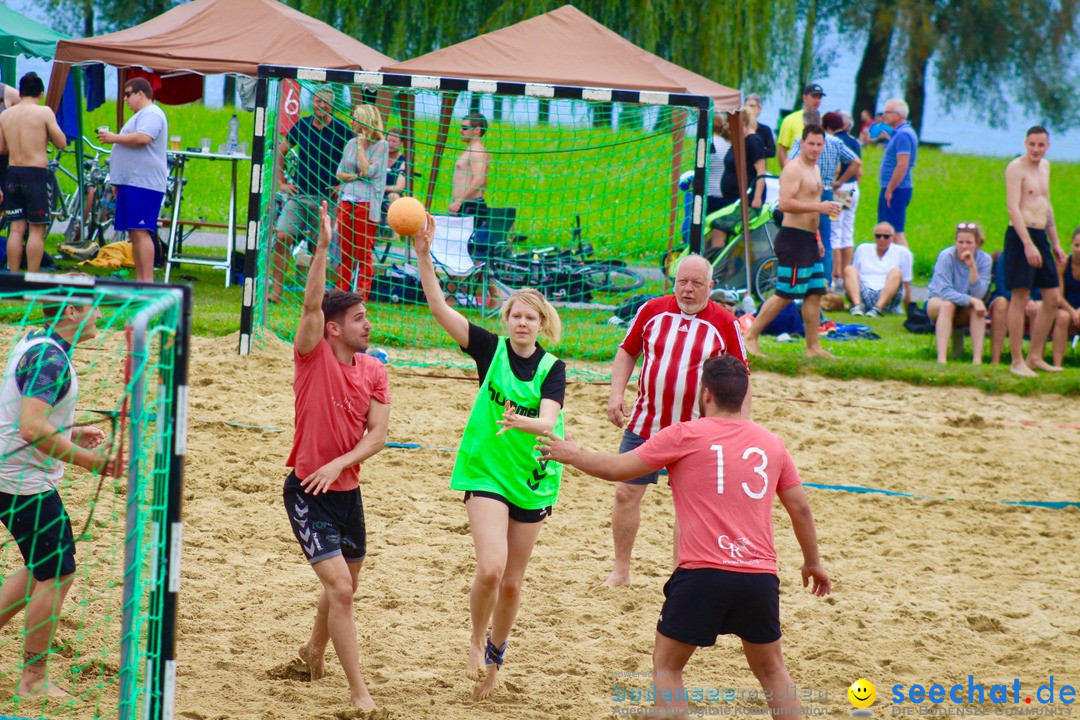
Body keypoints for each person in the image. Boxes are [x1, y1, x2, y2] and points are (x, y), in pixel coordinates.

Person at [537, 355, 831, 718]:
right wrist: (813, 561)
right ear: (743, 394)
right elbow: (800, 509)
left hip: (702, 574)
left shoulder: (684, 434)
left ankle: (671, 711)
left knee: (668, 666)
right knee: (773, 672)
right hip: (759, 576)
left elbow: (618, 469)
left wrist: (572, 454)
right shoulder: (772, 443)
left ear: (705, 394)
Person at [413, 216, 566, 701]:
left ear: (542, 325)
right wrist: (423, 254)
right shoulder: (489, 350)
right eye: (516, 316)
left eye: (530, 317)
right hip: (486, 473)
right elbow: (440, 308)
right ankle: (476, 639)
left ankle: (495, 661)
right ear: (506, 321)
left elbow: (548, 421)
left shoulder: (551, 368)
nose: (522, 323)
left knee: (514, 586)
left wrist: (524, 423)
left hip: (533, 477)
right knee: (491, 571)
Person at [283, 201, 389, 710]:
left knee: (343, 586)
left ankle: (312, 651)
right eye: (358, 318)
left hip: (346, 491)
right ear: (333, 328)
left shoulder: (373, 369)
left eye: (366, 316)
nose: (367, 324)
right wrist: (323, 248)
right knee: (342, 590)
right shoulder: (312, 354)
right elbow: (309, 309)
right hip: (307, 489)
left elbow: (377, 436)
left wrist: (341, 463)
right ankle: (359, 694)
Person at [604, 255, 748, 588]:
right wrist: (616, 394)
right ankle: (621, 570)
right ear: (674, 282)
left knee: (689, 507)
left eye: (697, 283)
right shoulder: (652, 310)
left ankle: (678, 578)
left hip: (697, 431)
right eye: (683, 281)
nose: (688, 289)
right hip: (646, 424)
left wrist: (741, 425)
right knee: (625, 494)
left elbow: (742, 376)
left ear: (711, 287)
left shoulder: (725, 322)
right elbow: (627, 351)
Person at [0, 297, 118, 697]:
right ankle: (33, 680)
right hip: (20, 481)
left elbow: (26, 416)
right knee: (58, 573)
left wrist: (70, 430)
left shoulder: (37, 341)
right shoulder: (49, 358)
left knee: (44, 568)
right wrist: (89, 460)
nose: (101, 313)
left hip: (13, 474)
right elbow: (31, 428)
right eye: (95, 306)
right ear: (71, 312)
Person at [743, 125, 840, 359]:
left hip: (808, 239)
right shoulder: (793, 169)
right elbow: (784, 204)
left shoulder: (815, 169)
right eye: (811, 144)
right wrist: (820, 207)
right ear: (802, 143)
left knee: (815, 292)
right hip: (792, 238)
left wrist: (817, 237)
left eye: (819, 144)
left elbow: (811, 204)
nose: (815, 149)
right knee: (786, 293)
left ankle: (812, 347)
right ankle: (750, 336)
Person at [273, 86, 350, 302]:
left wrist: (342, 185)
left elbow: (355, 159)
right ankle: (276, 291)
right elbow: (281, 151)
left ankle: (313, 295)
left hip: (327, 200)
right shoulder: (303, 125)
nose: (321, 105)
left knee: (319, 247)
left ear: (332, 106)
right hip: (299, 195)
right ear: (312, 102)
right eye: (317, 100)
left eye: (325, 102)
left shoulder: (342, 130)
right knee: (282, 236)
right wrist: (282, 183)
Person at [1003, 126, 1066, 377]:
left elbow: (1046, 205)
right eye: (1032, 145)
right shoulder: (1016, 168)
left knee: (1052, 298)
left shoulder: (1046, 167)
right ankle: (1016, 361)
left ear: (1047, 145)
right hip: (1020, 236)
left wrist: (1056, 242)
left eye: (1041, 145)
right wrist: (1027, 243)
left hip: (1041, 234)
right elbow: (1013, 207)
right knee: (1021, 297)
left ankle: (1035, 356)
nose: (1036, 150)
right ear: (1025, 143)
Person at [95, 77, 168, 283]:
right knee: (134, 233)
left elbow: (144, 138)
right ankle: (140, 280)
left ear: (141, 94)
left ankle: (147, 282)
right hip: (132, 183)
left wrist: (113, 137)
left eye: (128, 94)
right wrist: (119, 181)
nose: (125, 99)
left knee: (141, 231)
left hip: (144, 183)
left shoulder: (152, 113)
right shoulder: (140, 115)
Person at [0, 72, 67, 273]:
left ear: (20, 92)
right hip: (35, 174)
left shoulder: (5, 114)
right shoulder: (44, 112)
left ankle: (12, 275)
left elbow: (1, 149)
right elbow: (61, 143)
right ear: (40, 93)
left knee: (16, 228)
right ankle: (32, 276)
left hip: (12, 173)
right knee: (37, 229)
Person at [786, 110, 862, 287]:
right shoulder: (837, 142)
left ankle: (801, 278)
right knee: (830, 236)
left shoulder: (803, 141)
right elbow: (857, 163)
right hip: (832, 191)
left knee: (805, 235)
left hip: (808, 191)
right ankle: (826, 280)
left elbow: (789, 164)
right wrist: (839, 182)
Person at [335, 104, 388, 298]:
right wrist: (356, 176)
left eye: (354, 118)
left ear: (364, 121)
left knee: (363, 252)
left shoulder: (381, 146)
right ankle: (340, 292)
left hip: (366, 204)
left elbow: (368, 172)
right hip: (346, 200)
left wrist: (360, 148)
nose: (351, 122)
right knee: (345, 251)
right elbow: (339, 173)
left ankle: (361, 295)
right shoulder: (350, 143)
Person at [988, 251, 1069, 366]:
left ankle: (1036, 358)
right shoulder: (1007, 255)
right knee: (1000, 304)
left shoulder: (1042, 256)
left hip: (1034, 301)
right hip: (1011, 299)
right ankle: (995, 360)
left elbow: (1044, 286)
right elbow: (1002, 286)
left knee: (1038, 307)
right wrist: (1026, 299)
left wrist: (1034, 300)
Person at [926, 222, 992, 364]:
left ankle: (977, 359)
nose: (964, 246)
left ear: (977, 244)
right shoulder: (946, 256)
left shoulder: (985, 260)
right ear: (955, 242)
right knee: (948, 305)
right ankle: (942, 358)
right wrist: (972, 300)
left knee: (977, 310)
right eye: (960, 242)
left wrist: (972, 267)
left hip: (966, 304)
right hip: (939, 300)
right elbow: (944, 291)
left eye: (969, 242)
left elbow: (979, 295)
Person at [845, 221, 913, 317]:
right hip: (865, 292)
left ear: (892, 238)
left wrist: (909, 309)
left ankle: (878, 308)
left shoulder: (903, 253)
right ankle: (857, 306)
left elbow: (906, 283)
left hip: (889, 294)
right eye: (878, 236)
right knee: (849, 269)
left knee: (896, 272)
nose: (882, 239)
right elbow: (854, 276)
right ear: (874, 237)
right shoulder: (862, 249)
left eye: (886, 237)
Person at [878, 98, 917, 248]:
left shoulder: (903, 135)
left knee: (895, 231)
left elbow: (902, 165)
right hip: (894, 188)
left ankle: (904, 265)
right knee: (890, 229)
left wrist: (890, 189)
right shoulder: (900, 133)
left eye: (887, 112)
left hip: (897, 189)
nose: (883, 116)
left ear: (898, 115)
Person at [831, 111, 863, 292]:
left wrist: (838, 182)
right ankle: (846, 273)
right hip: (853, 189)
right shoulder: (855, 142)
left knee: (835, 230)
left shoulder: (837, 142)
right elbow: (860, 170)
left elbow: (850, 166)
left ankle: (835, 274)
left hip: (841, 190)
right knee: (847, 231)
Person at [717, 107, 767, 214]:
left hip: (747, 197)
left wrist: (757, 198)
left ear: (742, 123)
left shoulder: (753, 141)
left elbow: (761, 171)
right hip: (731, 198)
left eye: (731, 129)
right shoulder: (738, 142)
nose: (729, 132)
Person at [449, 112, 490, 226]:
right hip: (466, 205)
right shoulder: (471, 149)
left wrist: (459, 201)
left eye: (465, 128)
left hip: (470, 206)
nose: (461, 130)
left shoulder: (477, 151)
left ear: (477, 130)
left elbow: (479, 180)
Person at [776, 83, 824, 167]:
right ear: (804, 98)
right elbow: (781, 150)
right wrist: (787, 171)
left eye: (819, 97)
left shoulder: (823, 120)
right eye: (814, 97)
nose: (817, 100)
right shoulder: (789, 120)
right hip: (796, 167)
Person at [1057, 227, 1080, 345]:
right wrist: (1072, 312)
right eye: (1077, 245)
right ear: (1071, 245)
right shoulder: (1064, 265)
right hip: (1066, 307)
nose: (1079, 250)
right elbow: (1058, 296)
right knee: (1062, 317)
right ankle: (1057, 362)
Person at [382, 128, 408, 208]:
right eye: (388, 140)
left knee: (394, 197)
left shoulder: (403, 161)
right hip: (374, 191)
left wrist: (383, 188)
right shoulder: (379, 156)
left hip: (390, 194)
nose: (390, 144)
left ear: (401, 143)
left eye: (394, 141)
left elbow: (399, 188)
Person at [743, 94, 775, 159]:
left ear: (759, 109)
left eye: (752, 106)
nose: (748, 109)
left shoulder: (765, 130)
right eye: (746, 106)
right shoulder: (741, 129)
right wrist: (762, 149)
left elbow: (771, 151)